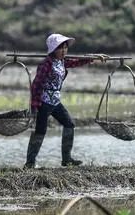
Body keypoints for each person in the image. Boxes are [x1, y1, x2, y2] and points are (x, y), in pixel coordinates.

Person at [24, 33, 106, 169]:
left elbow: (76, 61)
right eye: (60, 48)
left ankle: (66, 159)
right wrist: (34, 106)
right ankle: (30, 163)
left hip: (55, 102)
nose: (64, 51)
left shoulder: (61, 61)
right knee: (40, 131)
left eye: (65, 48)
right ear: (53, 49)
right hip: (44, 102)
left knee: (69, 124)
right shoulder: (46, 64)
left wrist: (94, 57)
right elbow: (36, 85)